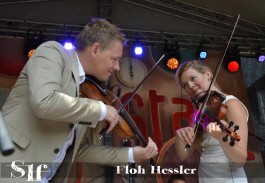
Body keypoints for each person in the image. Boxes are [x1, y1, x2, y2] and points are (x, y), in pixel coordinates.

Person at [0, 18, 158, 183]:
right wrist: (101, 110)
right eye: (114, 59)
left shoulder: (86, 91)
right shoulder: (52, 53)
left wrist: (133, 154)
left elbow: (78, 150)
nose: (117, 67)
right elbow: (44, 101)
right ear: (95, 49)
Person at [174, 60, 248, 183]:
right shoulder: (201, 111)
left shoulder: (231, 104)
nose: (190, 86)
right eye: (185, 85)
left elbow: (240, 160)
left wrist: (221, 137)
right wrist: (180, 135)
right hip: (206, 176)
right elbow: (183, 155)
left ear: (208, 74)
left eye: (193, 78)